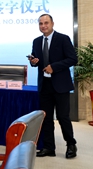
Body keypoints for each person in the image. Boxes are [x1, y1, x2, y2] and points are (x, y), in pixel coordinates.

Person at [29, 14, 78, 159]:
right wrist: (33, 62)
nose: (43, 26)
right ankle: (49, 147)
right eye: (40, 23)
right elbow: (37, 60)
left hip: (60, 85)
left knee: (63, 117)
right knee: (46, 118)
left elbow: (72, 59)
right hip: (45, 85)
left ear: (52, 23)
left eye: (46, 23)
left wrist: (54, 67)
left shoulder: (63, 39)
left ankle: (71, 144)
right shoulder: (36, 41)